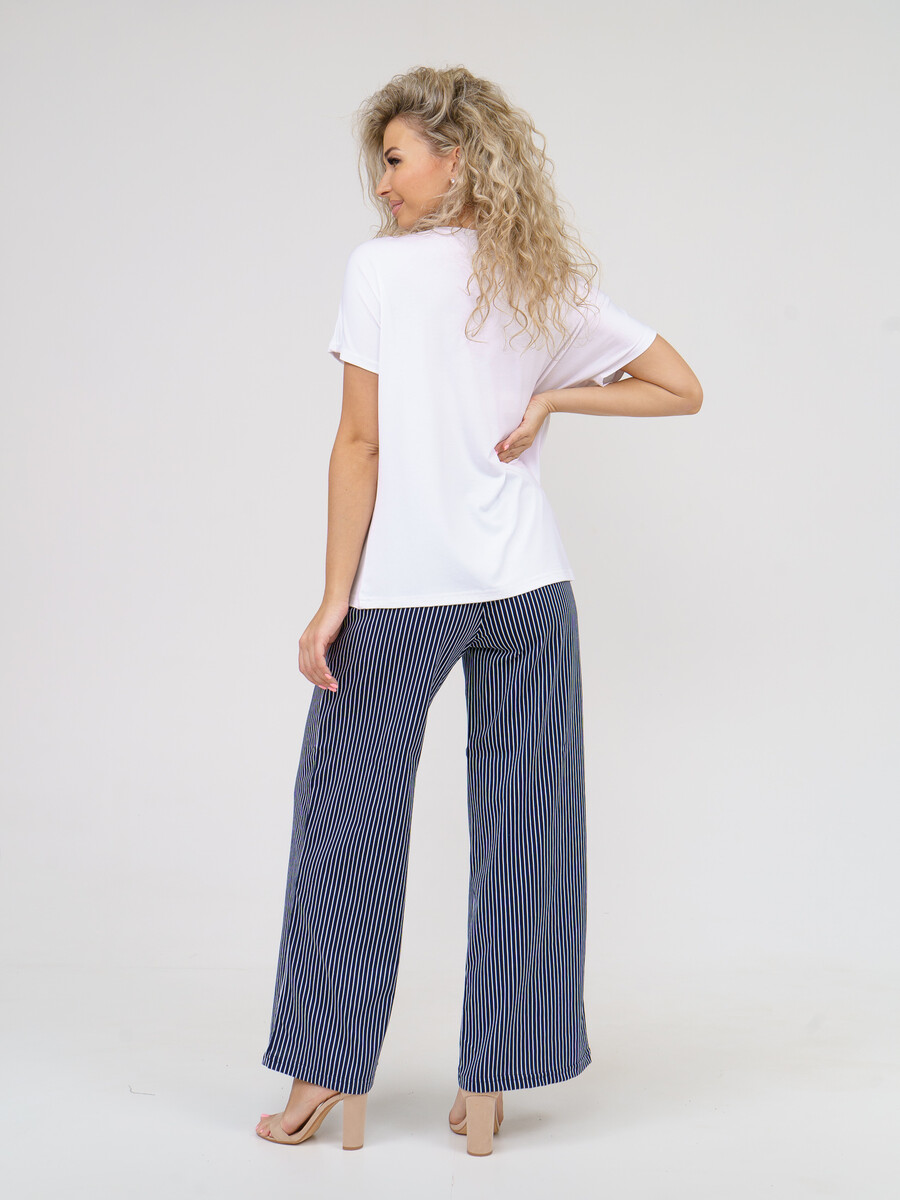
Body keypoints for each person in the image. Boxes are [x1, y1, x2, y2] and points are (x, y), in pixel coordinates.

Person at [255, 65, 702, 1157]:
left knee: (348, 827)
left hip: (404, 595)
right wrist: (556, 396)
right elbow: (679, 386)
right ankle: (492, 1088)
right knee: (530, 831)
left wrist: (332, 601)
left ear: (453, 158)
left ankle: (325, 1075)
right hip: (529, 592)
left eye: (395, 161)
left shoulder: (379, 271)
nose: (383, 186)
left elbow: (358, 442)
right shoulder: (538, 274)